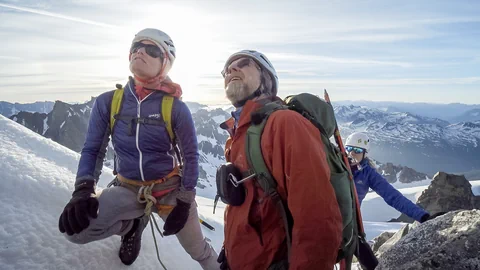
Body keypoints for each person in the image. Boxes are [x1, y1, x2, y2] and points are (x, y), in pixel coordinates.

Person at [57, 28, 218, 269]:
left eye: (151, 49)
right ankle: (132, 225)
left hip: (170, 188)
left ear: (165, 63)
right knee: (76, 232)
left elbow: (191, 156)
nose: (140, 51)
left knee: (199, 252)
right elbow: (92, 149)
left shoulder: (175, 108)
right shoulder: (109, 102)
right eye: (136, 47)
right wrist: (83, 189)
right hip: (128, 186)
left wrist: (184, 201)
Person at [217, 50, 343, 270]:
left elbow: (317, 218)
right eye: (226, 70)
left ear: (266, 79)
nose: (231, 70)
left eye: (244, 64)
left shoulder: (285, 124)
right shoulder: (240, 133)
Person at [345, 132, 434, 223]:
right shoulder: (335, 164)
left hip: (348, 222)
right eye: (348, 148)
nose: (351, 153)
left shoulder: (368, 174)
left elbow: (393, 196)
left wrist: (423, 216)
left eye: (357, 150)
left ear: (364, 153)